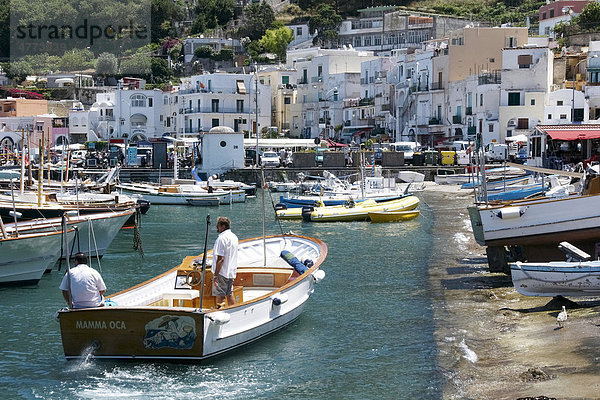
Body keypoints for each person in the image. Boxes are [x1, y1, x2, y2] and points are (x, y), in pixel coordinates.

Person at [212, 216, 238, 308]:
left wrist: (215, 275)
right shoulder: (234, 237)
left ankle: (220, 313)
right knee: (229, 293)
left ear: (223, 226)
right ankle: (234, 311)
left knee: (220, 295)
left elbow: (221, 259)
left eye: (218, 225)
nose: (216, 227)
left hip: (222, 272)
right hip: (231, 270)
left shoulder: (221, 239)